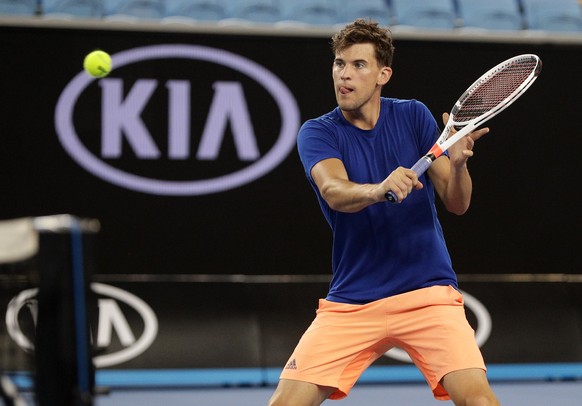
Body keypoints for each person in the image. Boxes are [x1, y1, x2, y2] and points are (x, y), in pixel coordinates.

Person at [268, 19, 499, 406]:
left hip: (428, 293)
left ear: (382, 74)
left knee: (479, 401)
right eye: (339, 64)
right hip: (353, 299)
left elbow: (457, 203)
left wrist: (459, 166)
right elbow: (333, 191)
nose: (344, 75)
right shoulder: (317, 132)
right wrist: (379, 189)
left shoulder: (413, 116)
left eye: (358, 65)